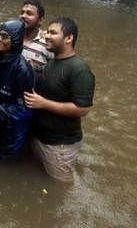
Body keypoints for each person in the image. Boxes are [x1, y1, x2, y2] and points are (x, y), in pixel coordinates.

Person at [24, 17, 95, 182]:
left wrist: (44, 103)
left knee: (61, 186)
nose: (46, 36)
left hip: (60, 145)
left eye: (53, 33)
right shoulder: (51, 63)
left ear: (69, 38)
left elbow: (83, 109)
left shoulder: (79, 69)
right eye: (47, 32)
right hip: (40, 137)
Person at [0, 20, 35, 159]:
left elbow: (26, 108)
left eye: (4, 37)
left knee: (6, 161)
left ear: (14, 40)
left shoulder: (23, 69)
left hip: (12, 130)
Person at [19, 0, 53, 79]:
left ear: (40, 20)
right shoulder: (11, 37)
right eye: (22, 12)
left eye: (29, 14)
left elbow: (53, 75)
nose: (23, 16)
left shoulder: (47, 44)